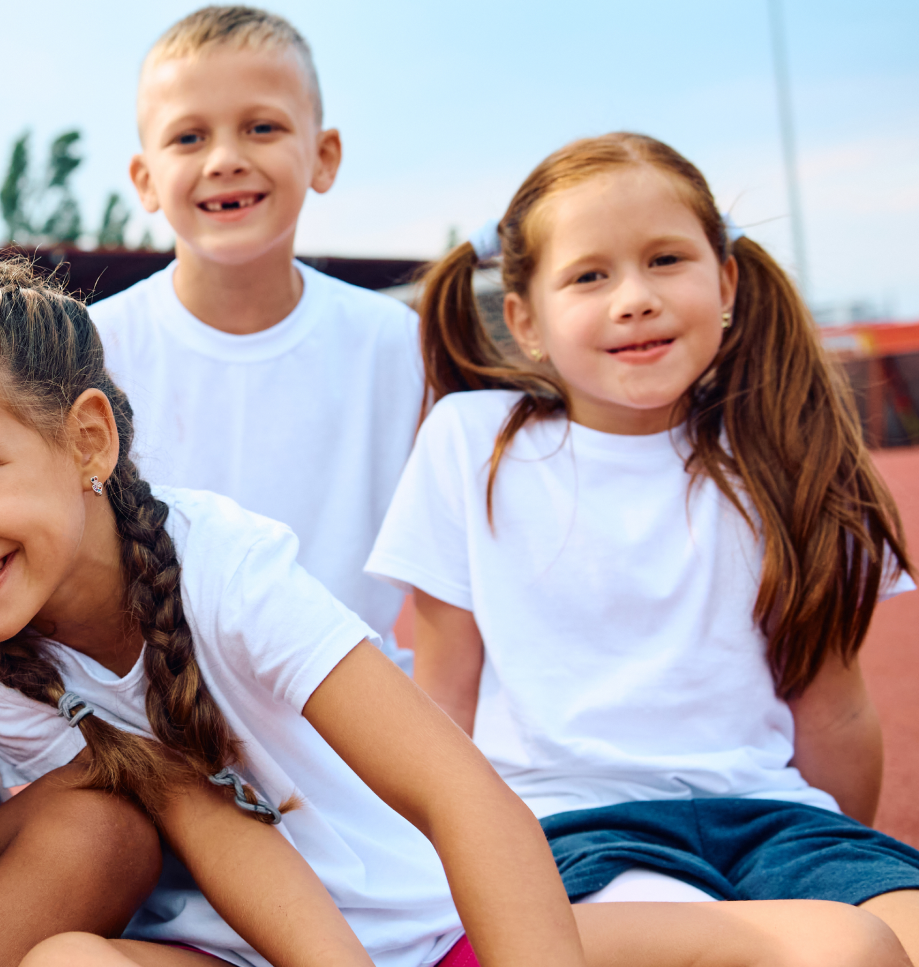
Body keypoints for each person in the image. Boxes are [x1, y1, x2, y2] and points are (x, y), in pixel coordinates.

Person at [0, 257, 595, 967]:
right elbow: (199, 812)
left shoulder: (226, 569)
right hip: (210, 943)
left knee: (698, 936)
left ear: (87, 441)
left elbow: (458, 790)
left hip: (405, 916)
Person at [366, 132, 919, 955]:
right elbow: (446, 699)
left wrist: (840, 866)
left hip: (780, 820)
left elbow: (834, 706)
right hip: (574, 828)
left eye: (666, 260)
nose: (635, 298)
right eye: (590, 275)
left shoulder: (788, 450)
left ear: (725, 280)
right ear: (525, 319)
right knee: (806, 951)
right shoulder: (471, 443)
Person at [90, 5, 422, 672]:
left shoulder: (401, 347)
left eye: (261, 127)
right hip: (167, 718)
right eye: (188, 138)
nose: (225, 160)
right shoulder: (94, 348)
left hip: (361, 731)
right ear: (146, 180)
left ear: (323, 156)